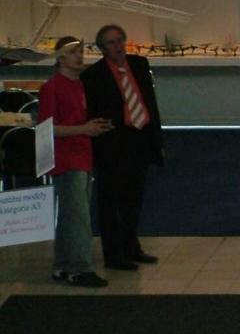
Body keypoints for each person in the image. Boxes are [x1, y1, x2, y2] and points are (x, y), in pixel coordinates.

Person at [82, 23, 164, 270]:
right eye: (111, 42)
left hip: (139, 138)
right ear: (102, 48)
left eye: (119, 40)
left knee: (134, 197)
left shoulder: (139, 64)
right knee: (110, 199)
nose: (117, 46)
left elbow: (150, 103)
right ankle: (113, 254)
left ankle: (131, 246)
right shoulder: (93, 75)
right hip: (113, 142)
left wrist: (157, 139)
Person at [38, 37, 112, 287]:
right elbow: (47, 129)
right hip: (66, 158)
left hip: (82, 155)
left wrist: (92, 127)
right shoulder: (52, 88)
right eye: (74, 52)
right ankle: (80, 268)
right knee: (79, 215)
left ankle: (63, 263)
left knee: (71, 214)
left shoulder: (79, 85)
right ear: (61, 57)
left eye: (81, 52)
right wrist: (84, 129)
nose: (80, 56)